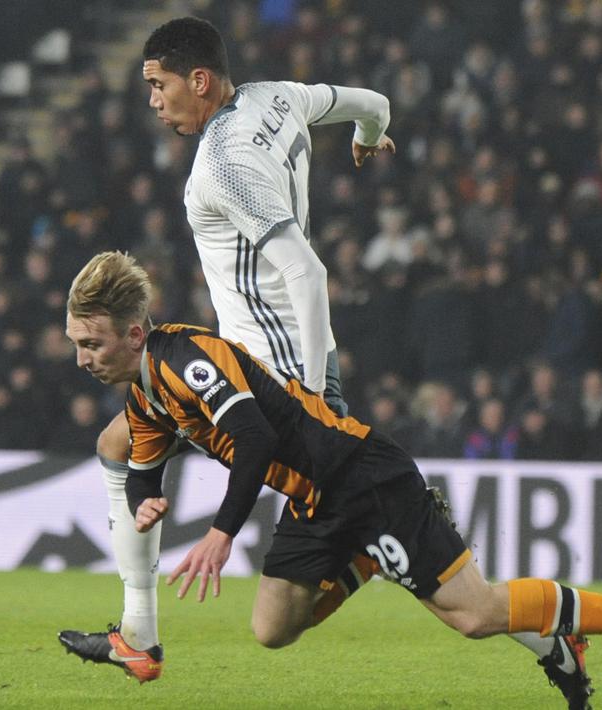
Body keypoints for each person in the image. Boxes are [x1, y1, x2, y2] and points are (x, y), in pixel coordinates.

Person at [63, 251, 602, 703]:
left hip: (359, 477)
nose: (81, 357)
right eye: (75, 343)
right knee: (274, 628)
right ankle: (367, 564)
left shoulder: (184, 357)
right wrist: (147, 505)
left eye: (92, 343)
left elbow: (256, 436)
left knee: (476, 614)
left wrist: (219, 533)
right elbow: (141, 471)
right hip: (312, 502)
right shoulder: (144, 399)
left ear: (134, 332)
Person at [58, 16, 397, 684]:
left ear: (199, 80)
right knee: (117, 445)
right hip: (281, 356)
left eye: (158, 84)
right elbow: (374, 104)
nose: (152, 99)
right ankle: (138, 637)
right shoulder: (281, 98)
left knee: (354, 582)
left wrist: (300, 392)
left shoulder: (222, 167)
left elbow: (306, 272)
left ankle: (389, 546)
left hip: (267, 369)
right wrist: (370, 138)